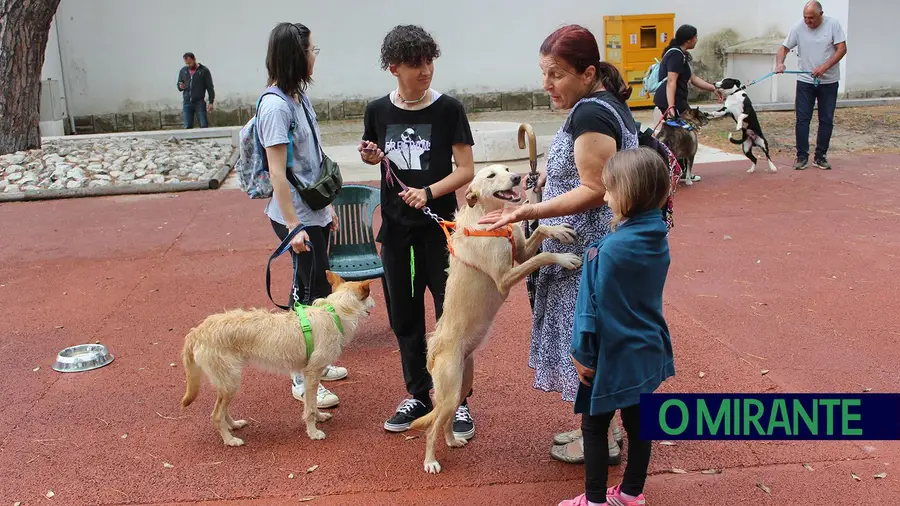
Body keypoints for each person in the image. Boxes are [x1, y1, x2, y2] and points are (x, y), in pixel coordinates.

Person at [478, 24, 642, 466]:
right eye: (544, 72)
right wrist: (549, 182)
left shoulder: (591, 113)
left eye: (556, 74)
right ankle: (598, 426)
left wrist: (526, 212)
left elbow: (595, 187)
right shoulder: (605, 104)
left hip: (588, 248)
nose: (546, 84)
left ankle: (603, 439)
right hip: (591, 246)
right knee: (591, 340)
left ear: (588, 73)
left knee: (589, 343)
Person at [357, 25, 477, 440]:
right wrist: (373, 155)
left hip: (440, 231)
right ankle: (419, 394)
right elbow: (377, 157)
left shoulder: (449, 110)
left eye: (429, 61)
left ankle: (459, 402)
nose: (425, 71)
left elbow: (466, 170)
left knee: (452, 318)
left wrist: (429, 192)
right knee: (405, 319)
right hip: (395, 232)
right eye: (415, 64)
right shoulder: (377, 110)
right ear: (394, 68)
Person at [558, 146, 675, 506]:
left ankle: (594, 500)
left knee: (594, 427)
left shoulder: (606, 251)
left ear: (629, 194)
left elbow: (593, 310)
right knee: (640, 425)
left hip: (611, 356)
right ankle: (630, 493)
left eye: (609, 190)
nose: (605, 196)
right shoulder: (658, 237)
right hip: (647, 350)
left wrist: (582, 353)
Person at [255, 22, 346, 410]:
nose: (314, 56)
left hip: (313, 212)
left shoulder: (298, 97)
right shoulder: (275, 107)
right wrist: (293, 228)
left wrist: (326, 211)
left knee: (320, 291)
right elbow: (278, 172)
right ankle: (300, 377)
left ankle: (317, 364)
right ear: (296, 55)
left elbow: (311, 163)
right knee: (305, 297)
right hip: (295, 217)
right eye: (312, 50)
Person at [776, 0, 847, 170]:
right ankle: (801, 156)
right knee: (802, 119)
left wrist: (824, 67)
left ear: (821, 15)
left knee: (826, 119)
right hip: (805, 81)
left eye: (811, 18)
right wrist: (780, 63)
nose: (808, 21)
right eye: (805, 17)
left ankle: (820, 156)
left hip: (828, 82)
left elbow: (842, 49)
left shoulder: (833, 25)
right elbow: (783, 48)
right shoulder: (799, 27)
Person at [652, 24, 723, 184]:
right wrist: (671, 107)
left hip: (678, 102)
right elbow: (671, 81)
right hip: (672, 102)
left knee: (682, 135)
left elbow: (693, 78)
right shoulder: (676, 55)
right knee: (676, 136)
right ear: (689, 40)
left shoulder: (682, 55)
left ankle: (681, 171)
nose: (697, 40)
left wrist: (713, 88)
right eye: (695, 37)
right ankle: (673, 171)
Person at [177, 52, 216, 129]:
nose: (188, 65)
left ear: (194, 59)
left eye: (190, 63)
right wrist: (180, 86)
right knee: (187, 126)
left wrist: (211, 102)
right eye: (186, 63)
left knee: (203, 125)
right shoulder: (183, 71)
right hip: (187, 102)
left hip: (199, 102)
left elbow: (210, 87)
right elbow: (179, 85)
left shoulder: (204, 71)